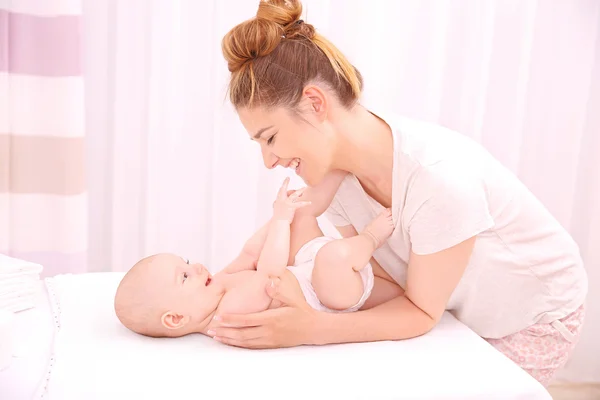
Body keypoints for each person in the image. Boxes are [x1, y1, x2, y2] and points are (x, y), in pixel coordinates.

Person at [212, 0, 589, 387]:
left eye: (269, 138)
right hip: (450, 308)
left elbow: (419, 312)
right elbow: (382, 282)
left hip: (534, 317)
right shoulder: (334, 175)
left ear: (314, 103)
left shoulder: (437, 180)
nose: (268, 161)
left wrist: (310, 328)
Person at [114, 175, 402, 338]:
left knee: (300, 209)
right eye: (185, 276)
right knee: (332, 257)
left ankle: (336, 171)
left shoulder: (219, 284)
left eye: (187, 262)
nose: (197, 267)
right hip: (330, 293)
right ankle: (371, 238)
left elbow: (250, 253)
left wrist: (282, 213)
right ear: (176, 318)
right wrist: (279, 222)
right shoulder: (227, 316)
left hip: (306, 270)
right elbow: (269, 273)